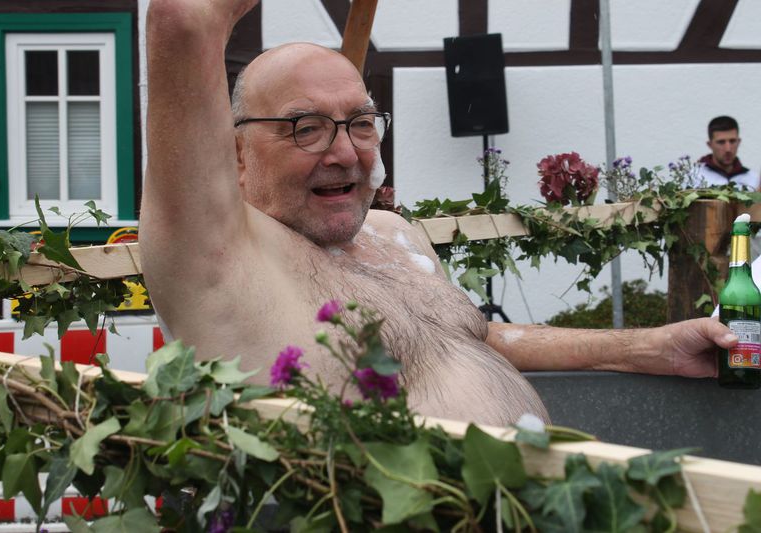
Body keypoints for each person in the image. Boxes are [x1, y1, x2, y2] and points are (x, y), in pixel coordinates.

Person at [140, 0, 739, 427]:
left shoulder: (391, 235)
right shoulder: (222, 253)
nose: (346, 152)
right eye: (306, 127)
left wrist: (648, 346)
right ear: (235, 155)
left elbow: (462, 339)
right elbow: (180, 19)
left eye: (361, 123)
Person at [696, 115, 760, 190]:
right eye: (721, 142)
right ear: (710, 145)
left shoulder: (754, 179)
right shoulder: (694, 177)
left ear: (738, 142)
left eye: (732, 141)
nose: (728, 149)